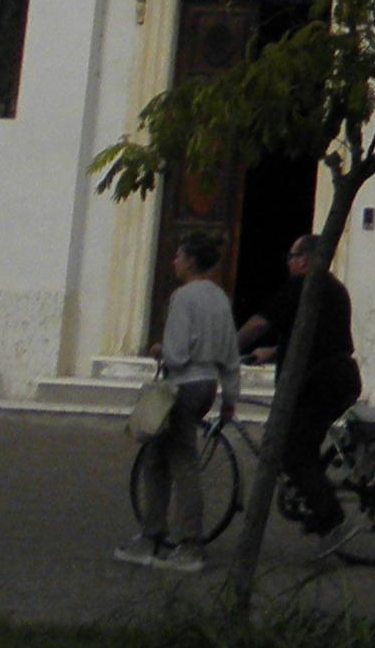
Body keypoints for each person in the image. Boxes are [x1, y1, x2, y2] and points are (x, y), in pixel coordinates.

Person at [123, 231, 235, 569]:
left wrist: (159, 350)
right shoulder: (219, 297)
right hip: (207, 384)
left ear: (189, 261)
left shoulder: (183, 297)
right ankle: (152, 533)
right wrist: (230, 395)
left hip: (182, 384)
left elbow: (176, 351)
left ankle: (187, 543)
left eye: (177, 256)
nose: (173, 261)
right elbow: (230, 352)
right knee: (158, 459)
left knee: (181, 461)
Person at [242, 231, 362, 537]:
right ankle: (315, 495)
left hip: (320, 385)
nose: (289, 263)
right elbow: (318, 336)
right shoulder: (333, 288)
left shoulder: (304, 287)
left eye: (292, 257)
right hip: (335, 379)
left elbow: (259, 324)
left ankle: (328, 514)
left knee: (294, 453)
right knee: (300, 446)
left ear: (305, 260)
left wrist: (224, 348)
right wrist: (273, 351)